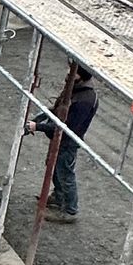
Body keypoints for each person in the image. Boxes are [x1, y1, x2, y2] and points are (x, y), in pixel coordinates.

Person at [31, 63, 98, 222]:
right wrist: (39, 119)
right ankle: (59, 196)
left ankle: (70, 210)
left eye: (73, 72)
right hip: (59, 139)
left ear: (80, 76)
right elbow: (57, 110)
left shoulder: (84, 99)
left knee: (65, 173)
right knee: (54, 167)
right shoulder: (74, 88)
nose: (68, 73)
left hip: (67, 141)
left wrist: (37, 126)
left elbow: (65, 127)